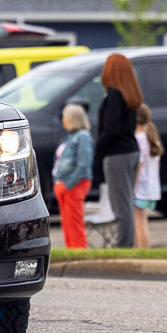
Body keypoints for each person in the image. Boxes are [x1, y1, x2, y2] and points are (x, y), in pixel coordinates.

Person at [96, 53, 143, 248]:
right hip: (131, 151)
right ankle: (127, 242)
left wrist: (98, 145)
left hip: (117, 154)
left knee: (120, 205)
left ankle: (123, 245)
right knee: (126, 201)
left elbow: (112, 128)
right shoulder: (128, 95)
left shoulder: (115, 94)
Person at [51, 103, 95, 249]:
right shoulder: (69, 136)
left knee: (74, 221)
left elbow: (84, 165)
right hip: (63, 183)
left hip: (75, 183)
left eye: (65, 116)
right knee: (67, 221)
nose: (63, 119)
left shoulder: (83, 137)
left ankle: (79, 249)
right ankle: (71, 248)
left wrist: (67, 185)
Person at [133, 103, 163, 250]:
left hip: (140, 187)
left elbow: (138, 165)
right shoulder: (152, 137)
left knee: (138, 222)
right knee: (141, 220)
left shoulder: (138, 139)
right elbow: (157, 164)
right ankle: (137, 248)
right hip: (151, 186)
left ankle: (143, 250)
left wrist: (132, 185)